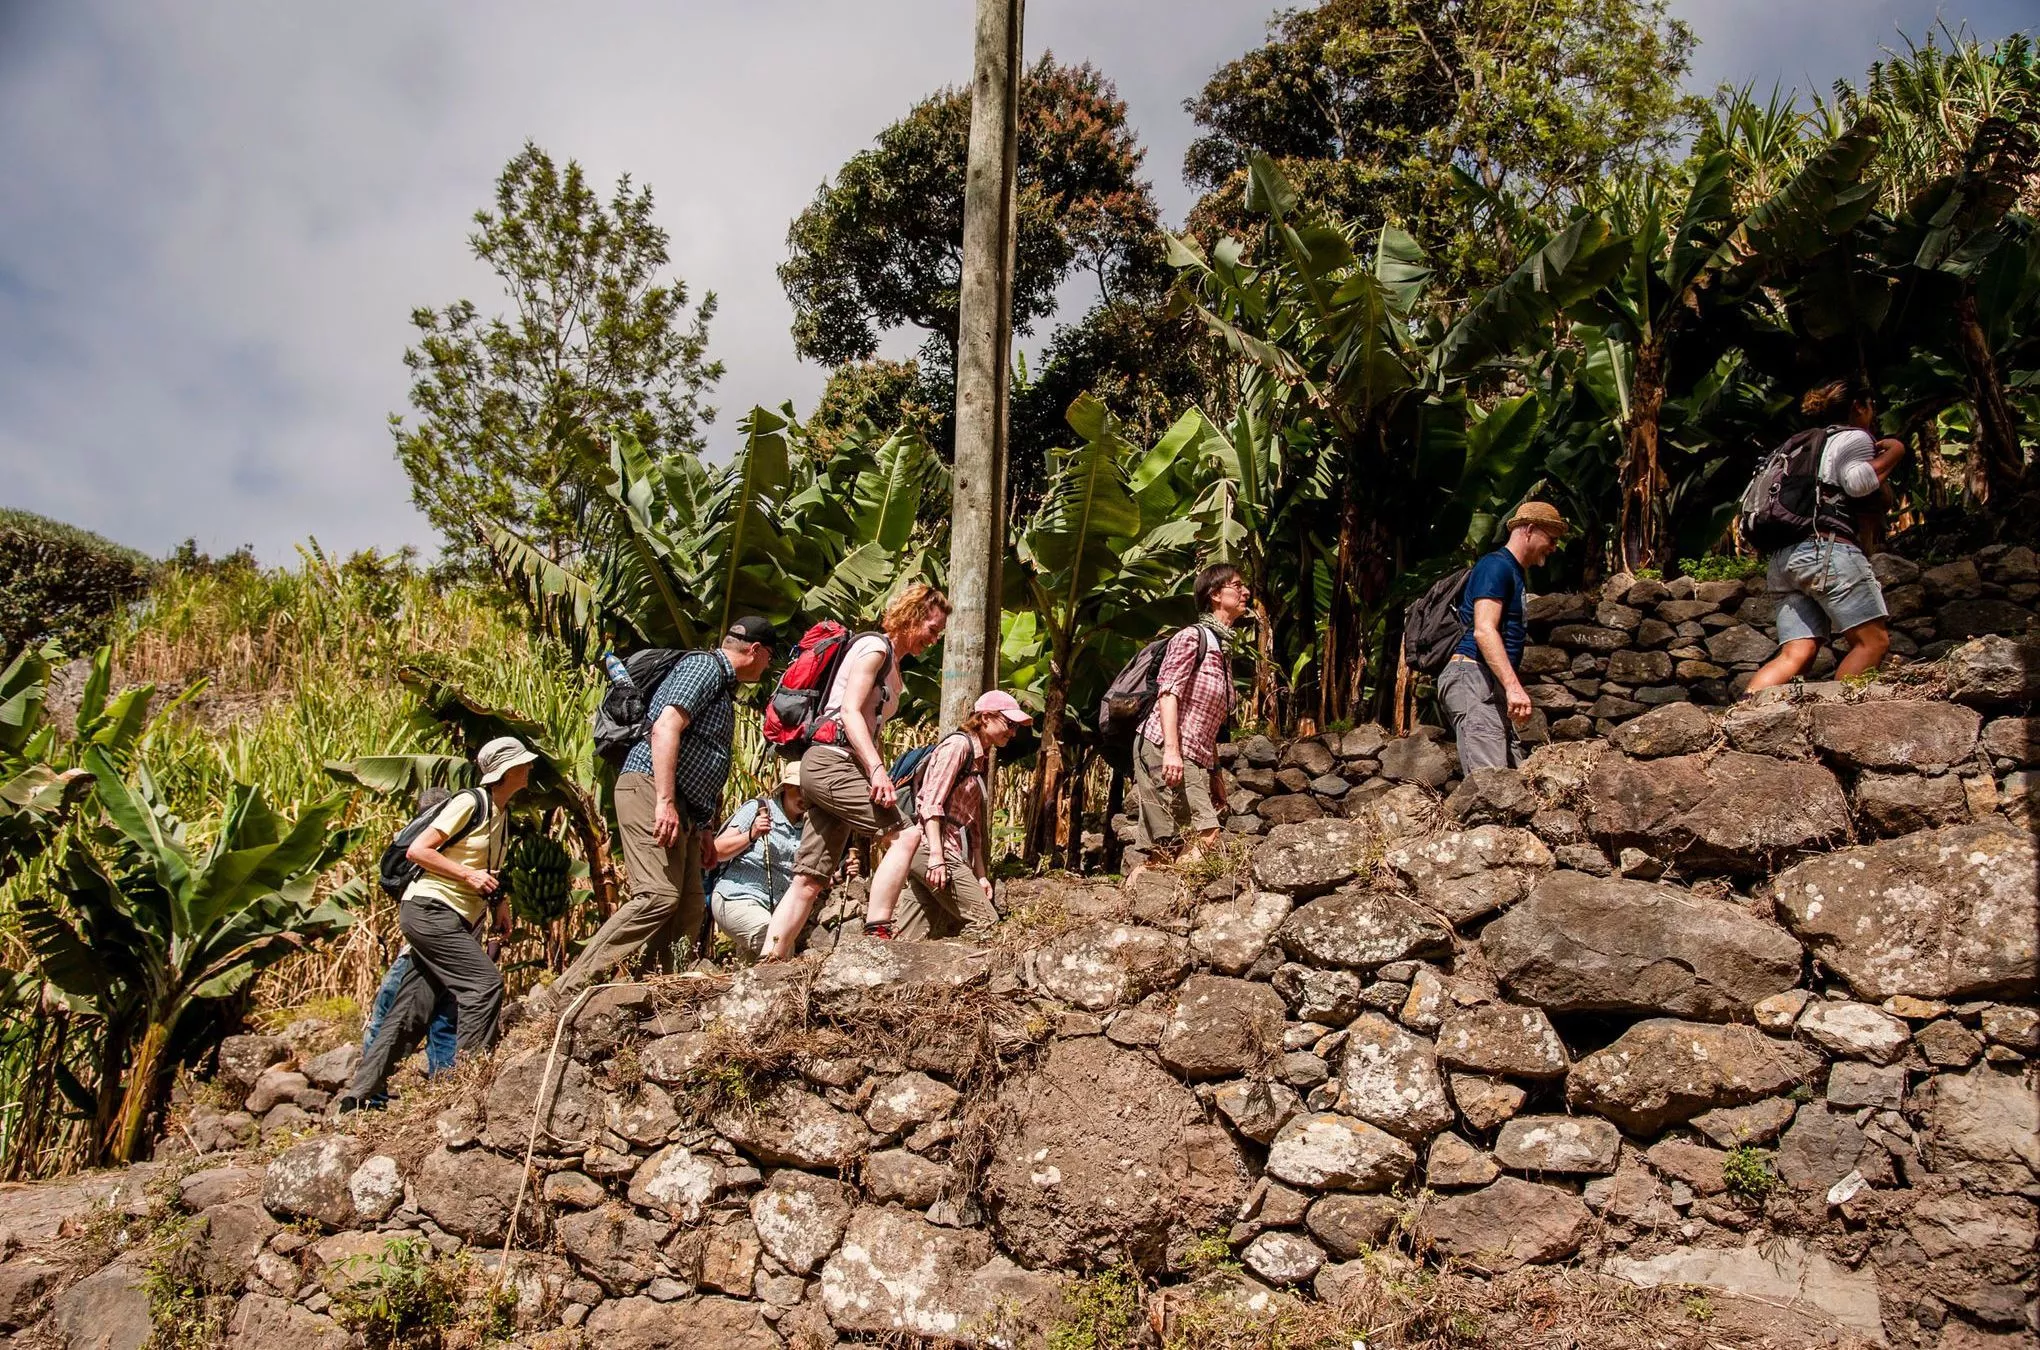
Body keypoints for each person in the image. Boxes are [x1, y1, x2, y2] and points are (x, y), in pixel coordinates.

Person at [537, 618, 777, 1010]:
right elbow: (665, 727)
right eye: (769, 658)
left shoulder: (722, 687)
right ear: (756, 651)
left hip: (682, 806)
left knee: (689, 905)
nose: (767, 668)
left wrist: (702, 829)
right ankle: (564, 991)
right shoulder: (704, 667)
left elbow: (700, 758)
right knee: (657, 896)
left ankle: (656, 993)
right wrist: (664, 800)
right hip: (650, 786)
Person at [339, 736, 535, 1110]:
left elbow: (485, 870)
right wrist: (468, 877)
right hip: (431, 909)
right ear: (506, 771)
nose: (529, 768)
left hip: (457, 917)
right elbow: (419, 850)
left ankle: (357, 1096)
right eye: (523, 764)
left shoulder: (501, 814)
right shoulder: (469, 802)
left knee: (412, 1006)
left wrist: (500, 904)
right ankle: (469, 1085)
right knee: (484, 985)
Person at [761, 583, 951, 960]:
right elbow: (849, 712)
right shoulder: (874, 649)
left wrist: (874, 772)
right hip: (831, 760)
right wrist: (878, 771)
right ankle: (878, 932)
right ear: (912, 617)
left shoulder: (893, 666)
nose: (935, 639)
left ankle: (771, 959)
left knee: (810, 877)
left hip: (839, 765)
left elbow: (871, 724)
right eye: (932, 629)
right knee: (906, 835)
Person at [1745, 380, 1909, 695]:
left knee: (1797, 654)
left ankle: (1738, 720)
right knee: (1872, 642)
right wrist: (1897, 451)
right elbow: (1857, 483)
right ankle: (1837, 723)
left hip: (1784, 559)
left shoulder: (1797, 445)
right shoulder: (1854, 437)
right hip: (1826, 552)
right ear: (1859, 407)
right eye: (1870, 406)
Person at [864, 690, 1032, 940]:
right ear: (985, 717)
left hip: (938, 850)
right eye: (1009, 724)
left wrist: (981, 875)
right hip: (933, 848)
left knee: (912, 935)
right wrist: (936, 857)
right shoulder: (957, 746)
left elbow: (973, 826)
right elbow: (931, 803)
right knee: (986, 922)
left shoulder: (980, 761)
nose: (1013, 732)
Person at [1128, 563, 1249, 884]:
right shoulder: (1192, 638)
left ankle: (1140, 898)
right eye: (1237, 586)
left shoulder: (1221, 649)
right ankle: (1160, 897)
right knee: (1205, 833)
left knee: (1167, 848)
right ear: (1214, 595)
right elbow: (1168, 694)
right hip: (1162, 746)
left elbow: (1208, 721)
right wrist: (1171, 752)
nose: (1245, 592)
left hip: (1192, 755)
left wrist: (1215, 775)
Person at [1439, 502, 1568, 772]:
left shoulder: (1513, 572)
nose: (1554, 548)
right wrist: (1513, 687)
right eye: (1552, 538)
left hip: (1486, 680)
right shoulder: (1496, 566)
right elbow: (1484, 629)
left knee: (1513, 781)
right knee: (1490, 784)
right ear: (1530, 530)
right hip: (1473, 676)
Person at [706, 762, 806, 960]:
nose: (804, 797)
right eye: (799, 789)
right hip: (737, 897)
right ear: (787, 787)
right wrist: (751, 835)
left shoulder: (809, 826)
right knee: (777, 941)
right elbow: (717, 851)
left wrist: (841, 873)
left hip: (772, 909)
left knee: (752, 969)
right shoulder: (758, 809)